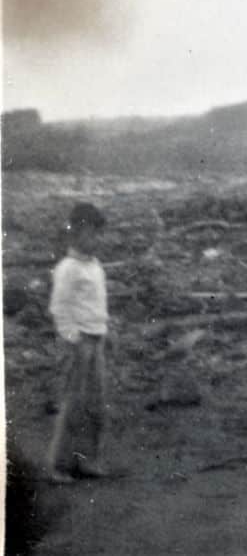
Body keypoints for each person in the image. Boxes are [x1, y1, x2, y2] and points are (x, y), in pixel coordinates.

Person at [47, 201, 111, 482]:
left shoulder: (95, 266)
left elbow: (97, 304)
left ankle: (86, 460)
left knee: (95, 404)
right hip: (78, 342)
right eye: (92, 234)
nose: (97, 240)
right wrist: (72, 339)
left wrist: (105, 331)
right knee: (73, 403)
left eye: (100, 234)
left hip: (96, 339)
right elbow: (60, 308)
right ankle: (58, 464)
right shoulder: (68, 268)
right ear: (76, 233)